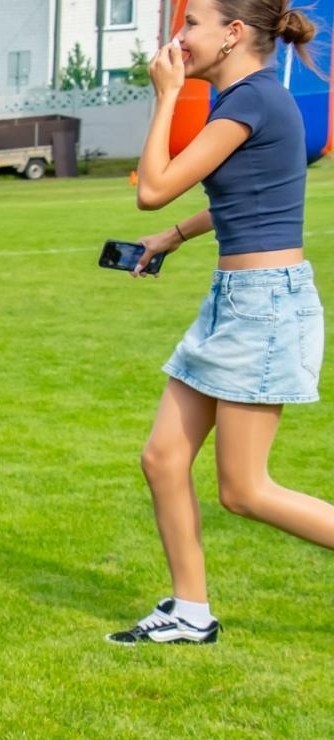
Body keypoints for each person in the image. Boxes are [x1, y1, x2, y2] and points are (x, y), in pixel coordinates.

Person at [111, 0, 329, 645]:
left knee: (245, 490)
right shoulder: (248, 100)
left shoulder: (251, 100)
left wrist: (165, 97)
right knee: (163, 458)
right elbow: (253, 192)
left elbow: (153, 188)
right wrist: (174, 236)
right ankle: (190, 612)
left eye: (191, 24)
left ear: (233, 34)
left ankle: (190, 610)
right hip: (236, 301)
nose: (179, 37)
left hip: (263, 307)